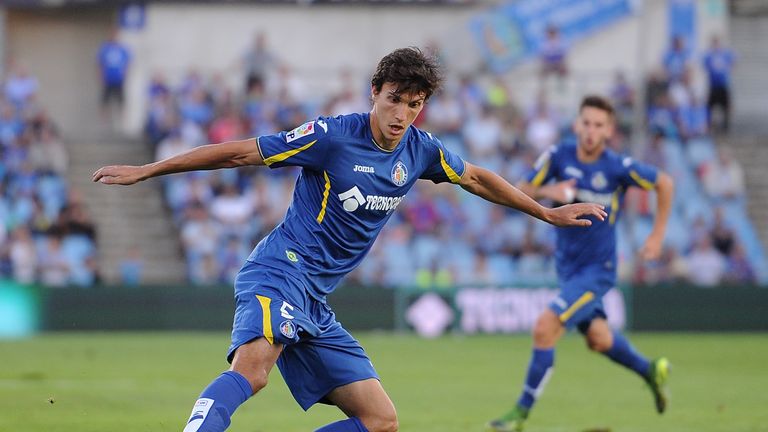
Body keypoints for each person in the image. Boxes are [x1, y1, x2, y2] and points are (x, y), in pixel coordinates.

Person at [93, 47, 606, 432]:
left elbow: (476, 178)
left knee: (380, 420)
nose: (401, 115)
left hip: (315, 300)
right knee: (253, 370)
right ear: (374, 94)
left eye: (414, 104)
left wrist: (543, 212)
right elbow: (239, 154)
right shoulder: (332, 136)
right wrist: (150, 170)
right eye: (393, 100)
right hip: (281, 270)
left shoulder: (421, 151)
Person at [487, 95, 675, 432]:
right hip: (568, 270)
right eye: (586, 123)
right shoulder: (559, 156)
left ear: (609, 130)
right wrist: (551, 190)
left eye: (598, 125)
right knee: (599, 339)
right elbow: (519, 188)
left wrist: (657, 236)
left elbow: (665, 182)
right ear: (577, 125)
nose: (591, 131)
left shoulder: (617, 167)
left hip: (597, 272)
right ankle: (651, 370)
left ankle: (519, 415)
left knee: (545, 326)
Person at [702, 35, 736, 133]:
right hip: (713, 85)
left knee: (725, 106)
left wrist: (728, 69)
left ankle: (726, 127)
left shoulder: (726, 53)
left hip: (724, 84)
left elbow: (734, 60)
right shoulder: (709, 55)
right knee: (710, 106)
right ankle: (709, 126)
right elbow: (704, 65)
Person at [97, 29, 131, 119]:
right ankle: (104, 118)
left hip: (118, 79)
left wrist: (125, 75)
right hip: (108, 79)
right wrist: (101, 76)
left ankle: (122, 118)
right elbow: (100, 64)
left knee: (121, 100)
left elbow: (127, 63)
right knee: (105, 100)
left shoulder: (122, 49)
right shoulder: (105, 49)